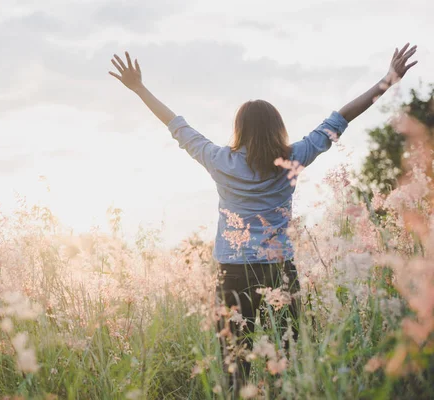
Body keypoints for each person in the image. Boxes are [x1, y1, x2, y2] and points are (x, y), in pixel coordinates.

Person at [108, 43, 418, 393]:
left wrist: (139, 89)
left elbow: (177, 125)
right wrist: (387, 80)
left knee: (233, 365)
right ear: (277, 128)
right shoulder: (295, 156)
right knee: (285, 362)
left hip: (232, 273)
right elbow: (340, 119)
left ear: (239, 128)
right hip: (279, 270)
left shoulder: (218, 160)